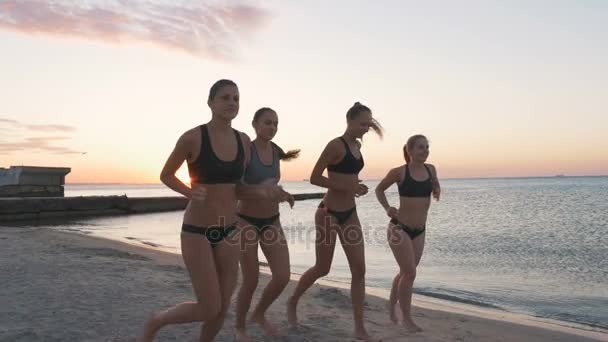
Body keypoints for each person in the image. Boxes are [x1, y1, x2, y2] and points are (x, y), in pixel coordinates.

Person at [137, 80, 292, 342]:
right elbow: (166, 174)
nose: (231, 103)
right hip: (197, 231)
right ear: (210, 102)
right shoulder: (193, 137)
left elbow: (238, 189)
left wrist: (265, 192)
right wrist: (188, 191)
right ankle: (157, 320)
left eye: (236, 98)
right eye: (225, 98)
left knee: (221, 308)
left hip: (229, 230)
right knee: (209, 306)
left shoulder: (243, 141)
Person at [286, 102, 383, 341]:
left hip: (350, 213)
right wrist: (347, 186)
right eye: (363, 123)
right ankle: (292, 301)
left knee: (359, 269)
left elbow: (350, 177)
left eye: (369, 124)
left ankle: (359, 327)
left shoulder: (357, 146)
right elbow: (314, 177)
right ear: (349, 121)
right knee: (322, 268)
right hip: (328, 213)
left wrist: (356, 188)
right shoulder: (335, 145)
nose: (366, 128)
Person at [234, 107, 300, 341]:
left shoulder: (274, 151)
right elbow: (237, 189)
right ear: (255, 124)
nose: (272, 127)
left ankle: (259, 314)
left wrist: (284, 194)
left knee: (282, 276)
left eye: (275, 123)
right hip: (246, 222)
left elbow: (270, 184)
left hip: (272, 221)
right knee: (250, 280)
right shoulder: (247, 151)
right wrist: (262, 192)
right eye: (268, 123)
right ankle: (240, 327)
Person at [374, 134, 440, 333]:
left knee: (405, 272)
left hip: (419, 231)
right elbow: (379, 190)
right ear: (410, 151)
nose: (425, 151)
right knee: (410, 272)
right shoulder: (399, 172)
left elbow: (435, 183)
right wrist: (387, 208)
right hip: (399, 228)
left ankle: (391, 307)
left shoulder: (431, 169)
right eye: (421, 147)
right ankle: (407, 319)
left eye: (427, 147)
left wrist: (436, 189)